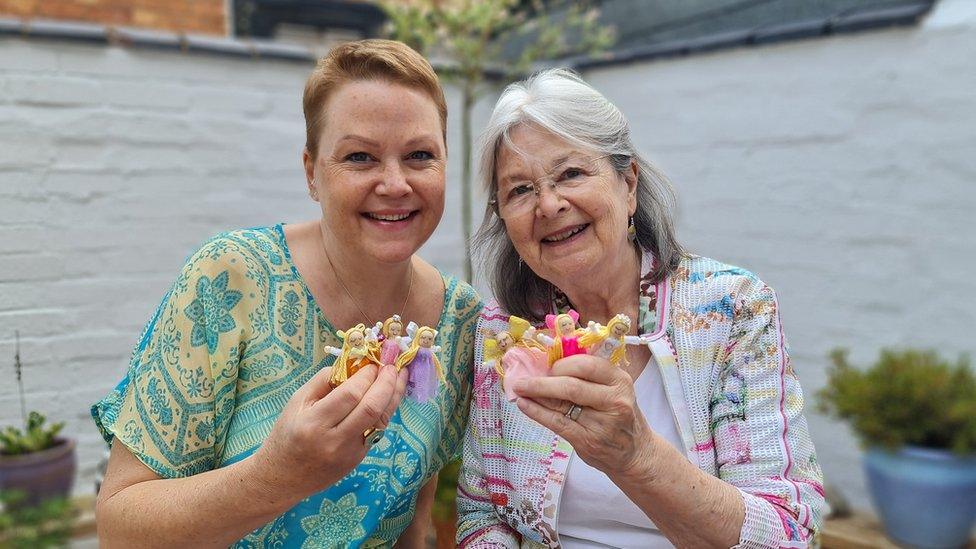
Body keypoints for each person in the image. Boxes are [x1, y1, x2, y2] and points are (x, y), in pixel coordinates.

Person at [91, 39, 482, 548]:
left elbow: (413, 514)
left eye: (420, 156)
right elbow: (119, 527)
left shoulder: (458, 321)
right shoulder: (231, 278)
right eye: (360, 156)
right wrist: (277, 476)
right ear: (311, 173)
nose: (394, 183)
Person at [456, 69, 824, 548]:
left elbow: (789, 531)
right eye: (520, 190)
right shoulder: (504, 331)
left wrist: (638, 457)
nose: (548, 205)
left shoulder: (733, 311)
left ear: (627, 183)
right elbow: (483, 513)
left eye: (570, 173)